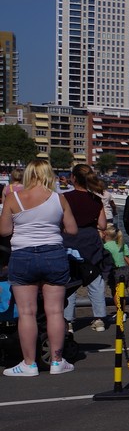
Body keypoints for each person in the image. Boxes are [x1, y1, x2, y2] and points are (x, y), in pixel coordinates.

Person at [0, 157, 80, 375]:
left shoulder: (13, 198)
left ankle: (29, 364)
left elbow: (4, 231)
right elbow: (72, 230)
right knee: (54, 311)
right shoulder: (59, 198)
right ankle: (57, 361)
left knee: (26, 312)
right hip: (53, 254)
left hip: (23, 255)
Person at [62, 164, 113, 332]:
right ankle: (99, 318)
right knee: (95, 280)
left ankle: (68, 320)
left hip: (70, 240)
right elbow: (103, 225)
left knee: (69, 282)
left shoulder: (64, 198)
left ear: (73, 178)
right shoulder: (96, 199)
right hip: (91, 242)